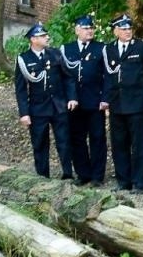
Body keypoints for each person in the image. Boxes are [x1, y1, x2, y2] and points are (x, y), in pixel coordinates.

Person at [100, 15, 143, 193]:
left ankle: (141, 183)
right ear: (115, 31)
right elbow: (108, 77)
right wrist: (106, 98)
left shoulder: (141, 47)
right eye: (123, 29)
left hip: (137, 103)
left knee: (139, 145)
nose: (127, 31)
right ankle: (123, 181)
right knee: (119, 144)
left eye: (129, 28)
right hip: (117, 104)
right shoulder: (109, 49)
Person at [14, 22, 75, 180]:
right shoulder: (24, 59)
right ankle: (43, 176)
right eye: (42, 36)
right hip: (38, 108)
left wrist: (72, 98)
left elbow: (68, 77)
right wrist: (24, 113)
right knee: (40, 143)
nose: (47, 37)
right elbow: (21, 89)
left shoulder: (55, 54)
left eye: (46, 35)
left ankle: (67, 173)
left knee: (64, 140)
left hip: (58, 105)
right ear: (33, 39)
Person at [60, 14, 107, 185]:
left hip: (95, 101)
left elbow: (107, 76)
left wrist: (105, 98)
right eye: (86, 28)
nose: (90, 31)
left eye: (91, 28)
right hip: (74, 102)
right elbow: (64, 76)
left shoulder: (101, 48)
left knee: (97, 138)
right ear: (77, 30)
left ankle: (97, 176)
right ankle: (83, 173)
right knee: (77, 138)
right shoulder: (67, 49)